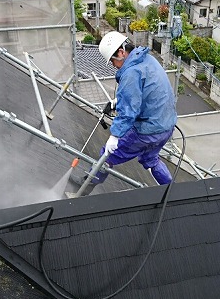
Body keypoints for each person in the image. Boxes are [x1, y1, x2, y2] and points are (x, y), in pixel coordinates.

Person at [73, 31, 177, 195]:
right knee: (150, 159)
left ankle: (84, 187)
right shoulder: (147, 59)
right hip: (165, 127)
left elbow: (129, 112)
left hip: (147, 131)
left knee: (107, 155)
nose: (114, 65)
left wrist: (115, 136)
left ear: (121, 52)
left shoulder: (131, 73)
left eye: (113, 60)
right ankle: (173, 191)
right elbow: (144, 94)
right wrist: (116, 103)